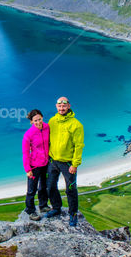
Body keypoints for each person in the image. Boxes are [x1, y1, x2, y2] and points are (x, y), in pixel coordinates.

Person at [44, 96, 85, 227]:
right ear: (56, 106)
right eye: (59, 106)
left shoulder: (76, 125)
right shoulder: (52, 121)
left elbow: (79, 146)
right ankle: (56, 208)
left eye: (64, 106)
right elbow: (47, 139)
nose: (62, 108)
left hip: (68, 163)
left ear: (69, 106)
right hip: (53, 160)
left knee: (71, 189)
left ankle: (73, 214)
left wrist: (75, 164)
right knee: (50, 186)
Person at [21, 109, 50, 220]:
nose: (38, 122)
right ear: (31, 122)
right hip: (34, 166)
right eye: (35, 120)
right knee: (31, 190)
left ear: (42, 118)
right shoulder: (28, 134)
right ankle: (30, 210)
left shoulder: (47, 127)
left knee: (43, 186)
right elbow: (25, 153)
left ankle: (43, 205)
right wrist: (27, 169)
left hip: (45, 164)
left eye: (40, 119)